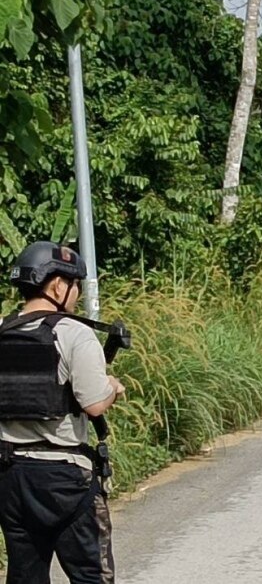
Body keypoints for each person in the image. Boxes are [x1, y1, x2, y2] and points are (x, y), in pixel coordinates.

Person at [0, 242, 124, 584]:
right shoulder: (74, 333)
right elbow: (94, 403)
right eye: (75, 285)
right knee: (91, 575)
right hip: (65, 477)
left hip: (11, 476)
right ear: (57, 285)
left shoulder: (2, 330)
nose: (77, 294)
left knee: (25, 574)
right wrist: (113, 386)